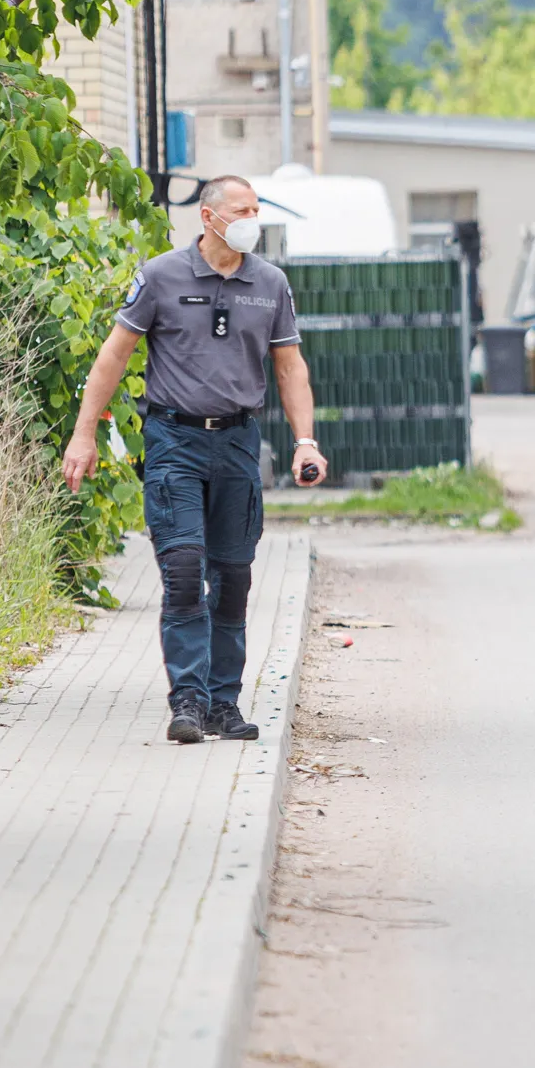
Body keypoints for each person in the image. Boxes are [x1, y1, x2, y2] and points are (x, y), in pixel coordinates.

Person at [61, 175, 326, 745]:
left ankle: (224, 704)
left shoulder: (270, 283)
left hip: (237, 444)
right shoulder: (161, 276)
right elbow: (112, 358)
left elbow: (289, 368)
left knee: (232, 579)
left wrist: (306, 440)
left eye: (256, 208)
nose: (253, 217)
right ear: (209, 218)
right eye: (242, 209)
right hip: (174, 442)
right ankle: (187, 700)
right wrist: (85, 433)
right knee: (183, 574)